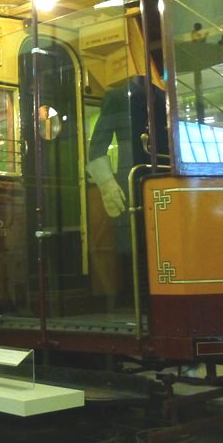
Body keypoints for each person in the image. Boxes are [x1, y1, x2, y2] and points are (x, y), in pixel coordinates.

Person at [85, 17, 169, 300]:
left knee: (152, 247)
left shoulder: (157, 97)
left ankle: (144, 301)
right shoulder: (125, 98)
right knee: (137, 247)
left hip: (148, 180)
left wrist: (108, 183)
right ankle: (138, 301)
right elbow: (96, 151)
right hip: (133, 183)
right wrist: (108, 185)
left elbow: (95, 150)